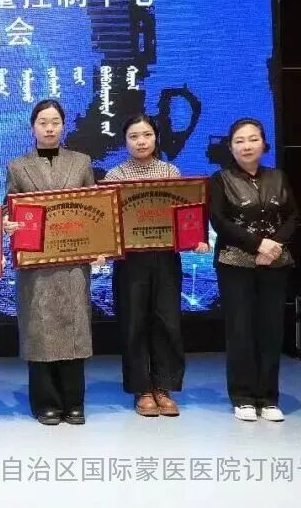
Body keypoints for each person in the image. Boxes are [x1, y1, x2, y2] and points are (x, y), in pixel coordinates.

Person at [102, 113, 210, 417]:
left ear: (156, 137)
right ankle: (142, 389)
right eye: (134, 136)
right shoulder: (114, 176)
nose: (141, 141)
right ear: (125, 141)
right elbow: (108, 223)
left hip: (165, 259)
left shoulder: (170, 171)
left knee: (167, 322)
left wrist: (195, 238)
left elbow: (185, 214)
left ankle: (164, 386)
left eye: (146, 135)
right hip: (130, 262)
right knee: (134, 323)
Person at [4, 99, 97, 426]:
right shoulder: (17, 167)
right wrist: (9, 224)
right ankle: (45, 403)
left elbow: (95, 208)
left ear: (63, 125)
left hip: (73, 262)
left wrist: (99, 245)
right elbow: (9, 209)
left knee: (74, 330)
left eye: (55, 121)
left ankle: (74, 402)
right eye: (43, 122)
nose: (49, 127)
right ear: (33, 127)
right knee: (40, 332)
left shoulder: (82, 162)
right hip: (36, 265)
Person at [209, 118, 297, 422]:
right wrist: (257, 244)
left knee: (271, 330)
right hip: (235, 263)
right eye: (240, 141)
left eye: (253, 139)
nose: (247, 146)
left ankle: (269, 398)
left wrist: (274, 245)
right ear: (231, 147)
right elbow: (219, 221)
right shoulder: (220, 179)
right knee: (240, 329)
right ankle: (243, 396)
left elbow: (292, 216)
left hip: (275, 263)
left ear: (263, 143)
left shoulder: (278, 176)